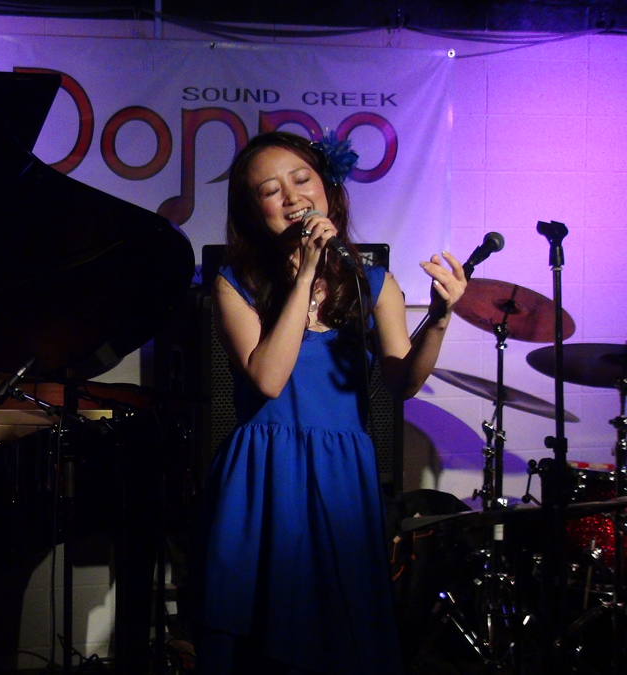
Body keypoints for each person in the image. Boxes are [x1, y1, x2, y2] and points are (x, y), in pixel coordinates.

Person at [198, 132, 466, 674]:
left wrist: (439, 319)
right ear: (253, 212)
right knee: (257, 635)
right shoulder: (234, 282)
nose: (291, 197)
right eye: (270, 191)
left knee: (341, 632)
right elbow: (267, 379)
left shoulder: (373, 283)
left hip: (341, 471)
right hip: (264, 470)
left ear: (328, 190)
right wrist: (305, 275)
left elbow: (401, 382)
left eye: (301, 180)